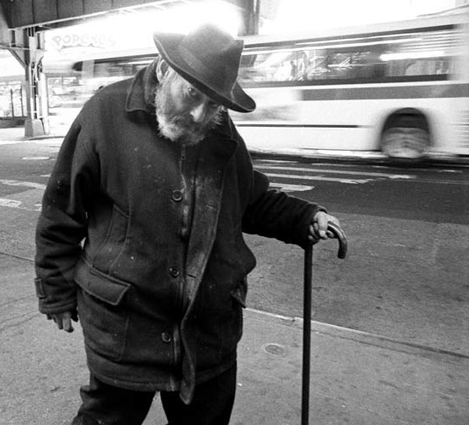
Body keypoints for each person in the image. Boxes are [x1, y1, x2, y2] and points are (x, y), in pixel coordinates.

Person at [34, 23, 341, 425]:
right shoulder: (105, 113)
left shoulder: (218, 129)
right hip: (127, 327)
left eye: (213, 105)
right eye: (193, 94)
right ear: (165, 70)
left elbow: (248, 198)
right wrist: (55, 292)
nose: (200, 114)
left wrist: (304, 217)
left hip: (208, 331)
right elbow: (61, 210)